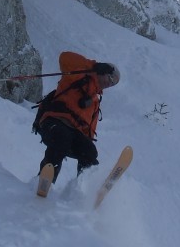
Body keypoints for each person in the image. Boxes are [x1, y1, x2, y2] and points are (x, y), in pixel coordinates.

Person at [33, 51, 120, 184]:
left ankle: (86, 187)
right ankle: (45, 181)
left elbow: (89, 131)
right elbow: (64, 57)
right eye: (111, 78)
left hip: (73, 132)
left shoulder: (95, 102)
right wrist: (93, 66)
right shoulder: (78, 74)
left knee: (90, 152)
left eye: (113, 84)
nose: (110, 84)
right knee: (61, 138)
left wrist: (87, 143)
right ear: (104, 71)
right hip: (53, 122)